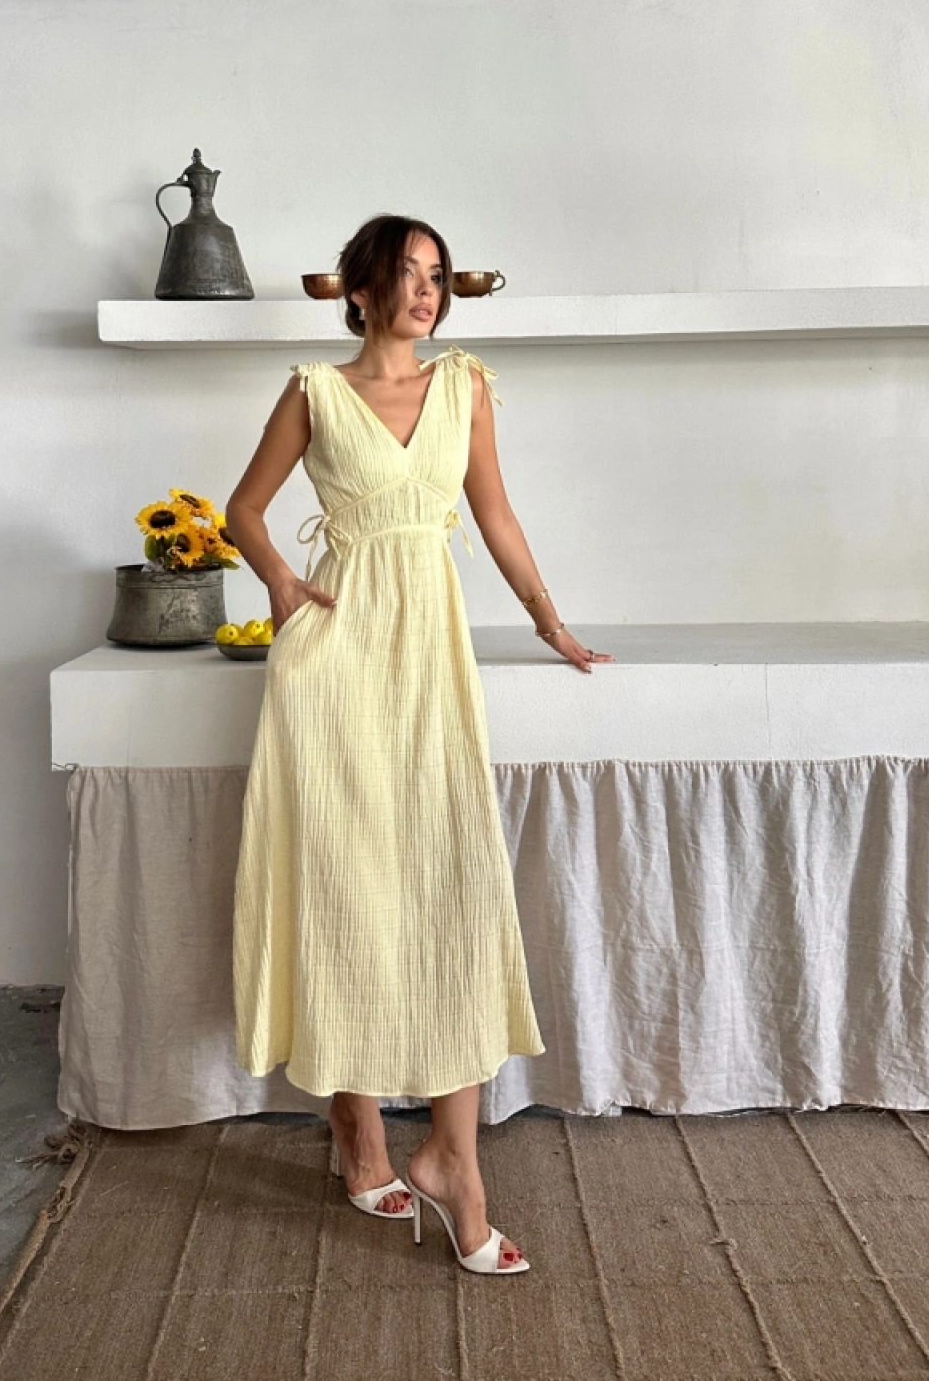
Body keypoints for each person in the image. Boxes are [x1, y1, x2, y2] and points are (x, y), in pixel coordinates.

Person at [227, 213, 614, 1275]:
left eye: (435, 275)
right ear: (359, 291)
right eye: (404, 275)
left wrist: (549, 622)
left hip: (429, 666)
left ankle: (449, 1155)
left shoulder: (465, 386)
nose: (424, 292)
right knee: (347, 892)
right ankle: (358, 1130)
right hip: (332, 669)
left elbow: (495, 515)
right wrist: (282, 583)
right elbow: (245, 509)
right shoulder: (314, 391)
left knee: (449, 888)